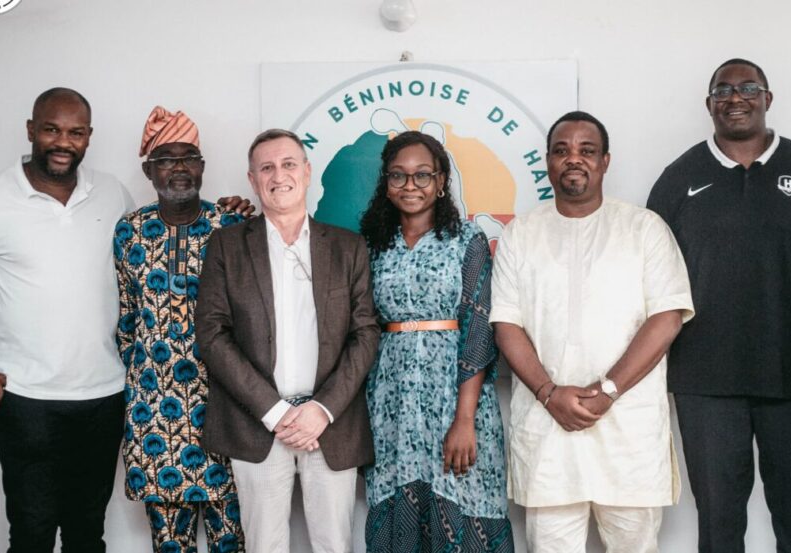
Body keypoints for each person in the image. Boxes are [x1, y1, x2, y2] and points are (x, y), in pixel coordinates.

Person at [646, 59, 791, 553]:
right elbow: (649, 275)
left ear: (767, 98)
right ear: (709, 104)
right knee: (718, 527)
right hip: (705, 381)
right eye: (723, 90)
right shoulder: (679, 178)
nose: (735, 97)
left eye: (748, 88)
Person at [491, 111, 694, 552]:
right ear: (548, 161)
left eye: (587, 150)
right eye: (561, 150)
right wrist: (549, 393)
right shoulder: (520, 234)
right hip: (548, 434)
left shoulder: (644, 229)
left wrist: (608, 390)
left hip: (628, 433)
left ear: (605, 161)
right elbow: (506, 324)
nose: (574, 159)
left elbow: (666, 318)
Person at [0, 87, 133, 553]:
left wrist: (228, 213)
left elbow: (152, 248)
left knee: (87, 534)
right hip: (26, 400)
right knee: (32, 535)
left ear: (89, 136)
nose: (63, 142)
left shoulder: (113, 193)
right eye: (51, 129)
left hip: (103, 396)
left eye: (76, 132)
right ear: (31, 130)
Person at [196, 129, 380, 553]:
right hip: (256, 425)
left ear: (307, 172)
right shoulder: (226, 246)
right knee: (264, 546)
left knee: (335, 546)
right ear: (252, 179)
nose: (279, 176)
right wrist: (275, 412)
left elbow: (365, 333)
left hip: (330, 425)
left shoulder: (348, 247)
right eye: (267, 168)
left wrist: (322, 409)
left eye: (289, 164)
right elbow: (212, 333)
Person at [358, 131, 514, 552]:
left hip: (455, 398)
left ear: (441, 180)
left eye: (423, 175)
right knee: (398, 508)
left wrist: (464, 419)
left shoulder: (467, 240)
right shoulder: (371, 244)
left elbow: (478, 327)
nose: (410, 185)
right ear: (386, 183)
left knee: (462, 499)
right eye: (399, 175)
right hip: (390, 401)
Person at [114, 106, 246, 553]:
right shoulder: (130, 231)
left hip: (225, 412)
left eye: (189, 157)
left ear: (203, 166)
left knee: (232, 542)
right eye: (166, 159)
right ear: (148, 170)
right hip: (154, 415)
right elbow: (128, 319)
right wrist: (148, 375)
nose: (179, 167)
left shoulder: (230, 225)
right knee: (169, 544)